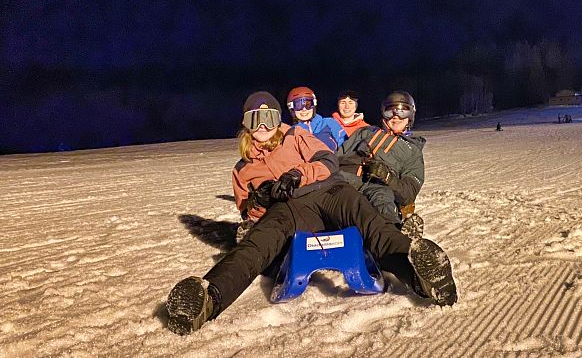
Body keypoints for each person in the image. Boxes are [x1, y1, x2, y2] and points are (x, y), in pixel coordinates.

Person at [165, 90, 457, 335]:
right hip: (289, 210)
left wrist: (297, 174)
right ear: (246, 124)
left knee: (372, 225)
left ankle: (420, 274)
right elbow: (248, 213)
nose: (263, 124)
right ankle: (209, 298)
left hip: (328, 192)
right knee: (256, 245)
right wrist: (261, 199)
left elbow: (328, 159)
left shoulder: (295, 137)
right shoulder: (242, 169)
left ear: (278, 118)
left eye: (269, 116)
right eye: (256, 118)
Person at [337, 91, 425, 236]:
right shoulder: (365, 132)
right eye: (390, 111)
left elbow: (409, 192)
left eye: (403, 112)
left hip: (378, 188)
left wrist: (387, 176)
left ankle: (397, 240)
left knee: (382, 205)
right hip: (345, 179)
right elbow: (337, 156)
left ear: (410, 117)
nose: (396, 116)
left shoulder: (413, 151)